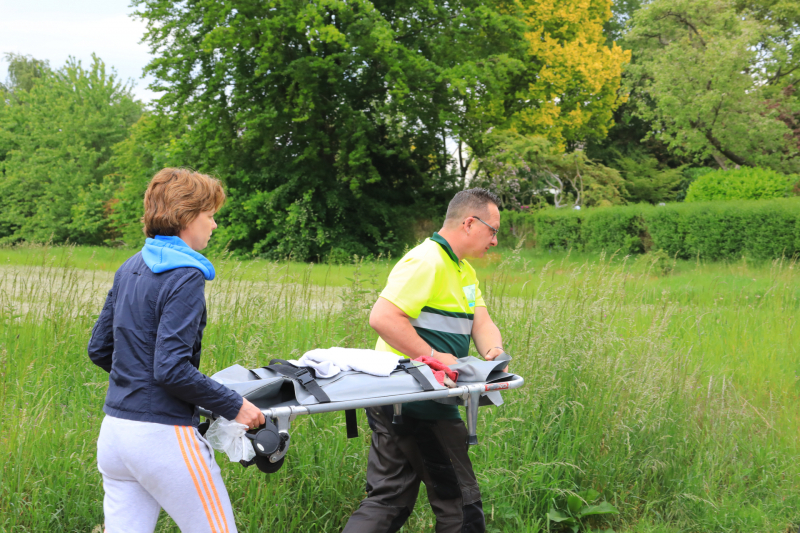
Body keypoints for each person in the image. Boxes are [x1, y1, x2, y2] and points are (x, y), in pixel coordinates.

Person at [88, 168, 265, 533]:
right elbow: (170, 369)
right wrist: (236, 405)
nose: (214, 225)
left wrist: (138, 385)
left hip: (116, 435)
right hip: (161, 439)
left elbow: (99, 349)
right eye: (210, 215)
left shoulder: (129, 267)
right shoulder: (185, 275)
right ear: (187, 217)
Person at [343, 188, 506, 533]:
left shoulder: (462, 270)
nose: (494, 241)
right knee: (460, 502)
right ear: (469, 223)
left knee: (388, 499)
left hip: (399, 397)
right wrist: (433, 356)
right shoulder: (426, 261)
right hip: (418, 398)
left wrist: (493, 353)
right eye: (493, 230)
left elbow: (482, 322)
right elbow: (383, 318)